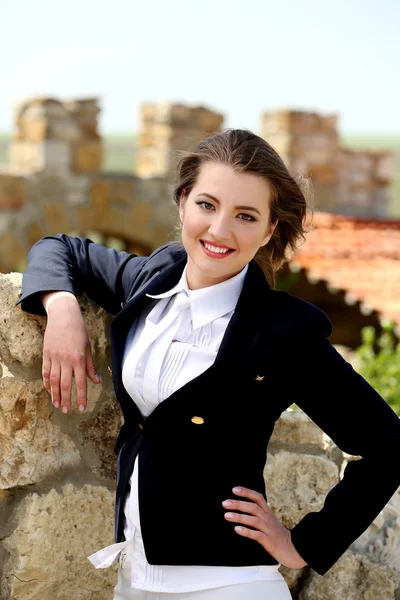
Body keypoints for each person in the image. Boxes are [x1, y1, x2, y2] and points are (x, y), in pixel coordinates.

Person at [16, 129, 400, 600]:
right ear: (182, 203)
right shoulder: (148, 278)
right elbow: (59, 247)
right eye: (206, 205)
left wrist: (303, 545)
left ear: (269, 230)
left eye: (245, 215)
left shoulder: (285, 331)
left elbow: (388, 446)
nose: (219, 231)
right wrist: (61, 308)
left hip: (230, 584)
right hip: (132, 578)